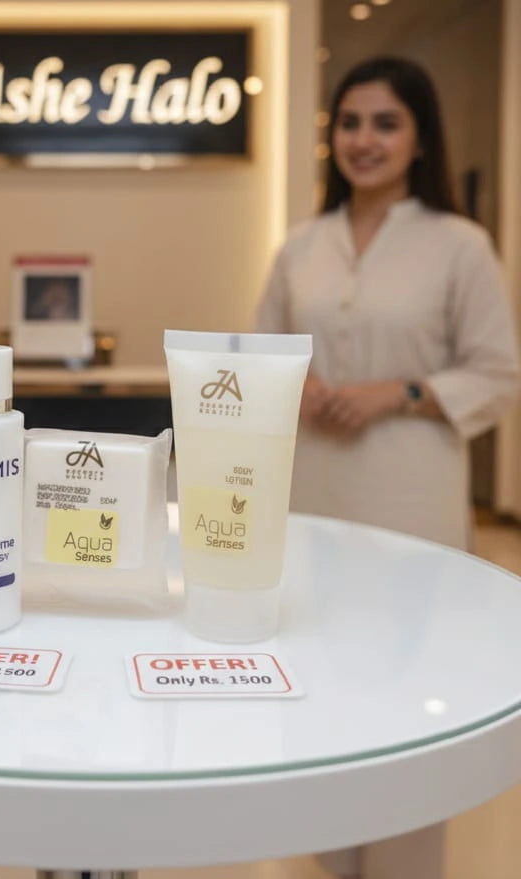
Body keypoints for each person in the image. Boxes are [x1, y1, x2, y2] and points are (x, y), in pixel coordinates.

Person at [255, 56, 520, 879]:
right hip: (313, 498)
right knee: (318, 678)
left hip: (411, 498)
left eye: (386, 122)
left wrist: (397, 391)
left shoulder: (459, 244)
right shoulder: (301, 245)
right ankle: (331, 856)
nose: (363, 140)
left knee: (409, 694)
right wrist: (292, 388)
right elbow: (258, 354)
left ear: (419, 138)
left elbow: (500, 371)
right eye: (349, 122)